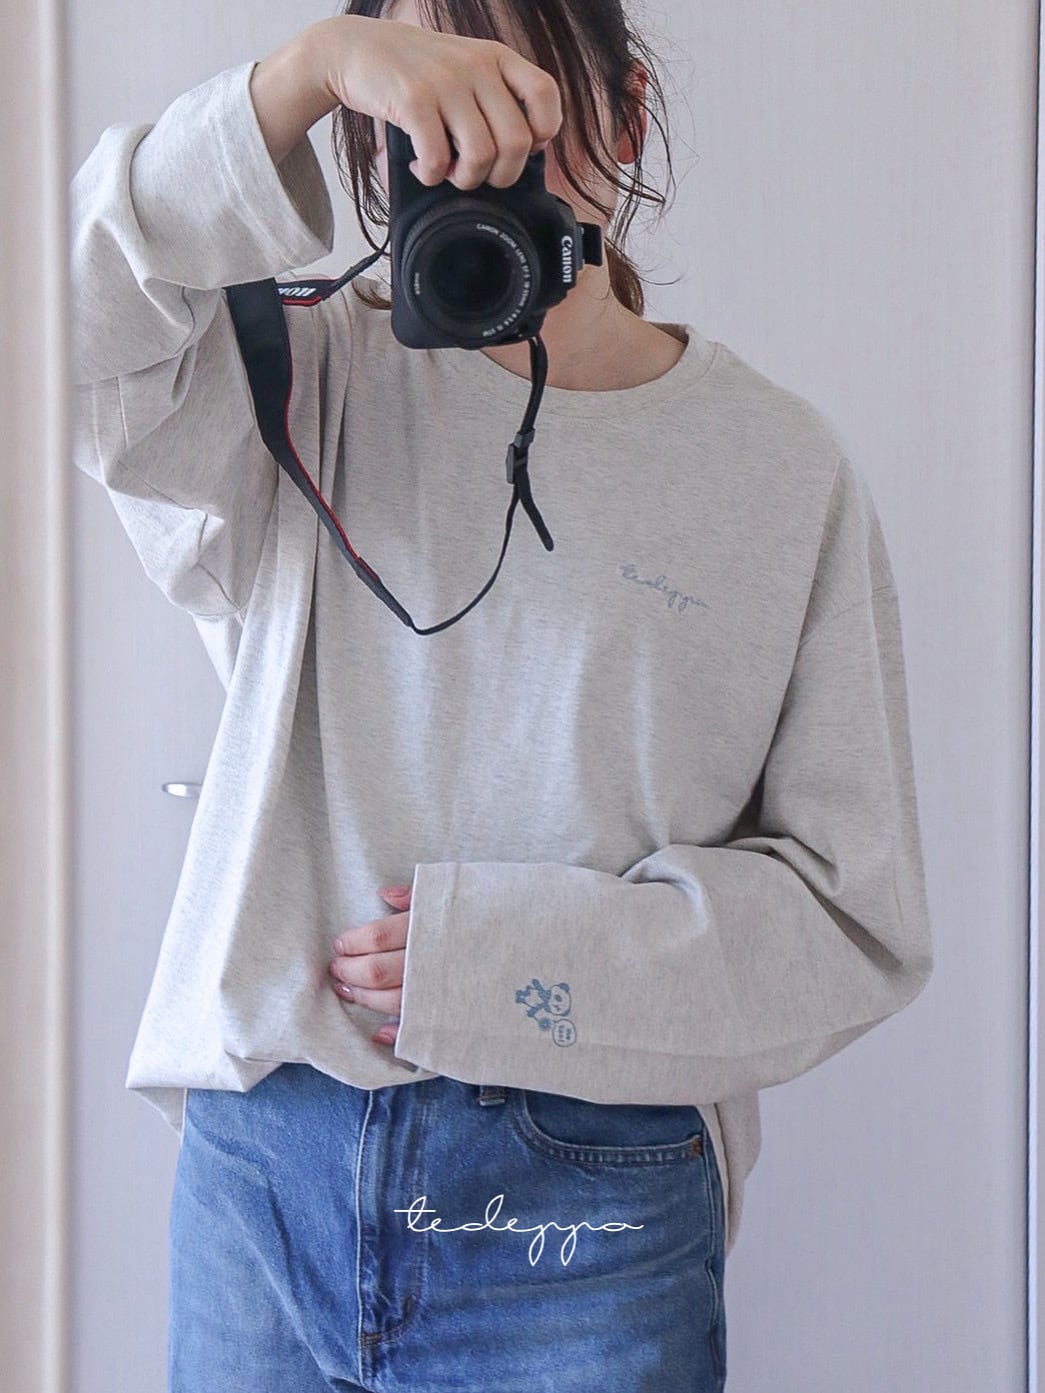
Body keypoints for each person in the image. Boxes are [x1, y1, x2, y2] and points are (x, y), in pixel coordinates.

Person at [69, 1, 934, 1389]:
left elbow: (853, 913)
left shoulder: (775, 467)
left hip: (589, 1191)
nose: (462, 147)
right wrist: (303, 73)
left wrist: (518, 963)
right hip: (267, 1167)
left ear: (625, 112)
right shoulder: (289, 374)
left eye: (511, 94)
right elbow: (64, 329)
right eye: (413, 99)